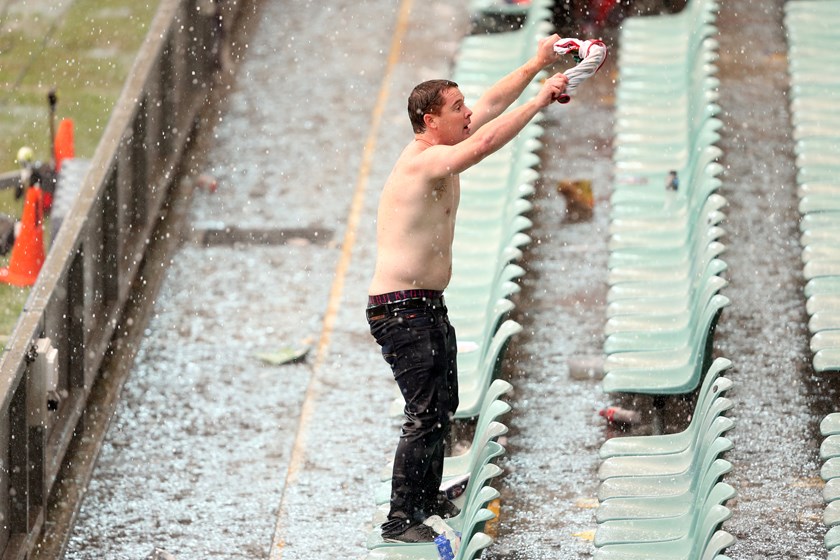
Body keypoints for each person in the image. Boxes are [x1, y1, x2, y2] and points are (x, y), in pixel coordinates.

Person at [365, 33, 569, 544]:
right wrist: (542, 99)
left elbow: (493, 106)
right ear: (430, 122)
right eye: (456, 109)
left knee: (444, 404)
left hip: (425, 303)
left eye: (463, 105)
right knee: (424, 412)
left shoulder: (444, 141)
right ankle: (399, 519)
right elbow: (485, 142)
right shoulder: (424, 160)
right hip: (400, 308)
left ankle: (426, 495)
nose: (467, 114)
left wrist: (536, 63)